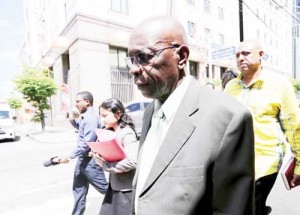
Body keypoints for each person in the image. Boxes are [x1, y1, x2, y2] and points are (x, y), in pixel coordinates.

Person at [126, 16, 255, 214]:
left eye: (145, 57)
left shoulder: (229, 117)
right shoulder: (150, 112)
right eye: (131, 59)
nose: (134, 69)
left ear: (182, 56)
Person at [224, 39, 300, 215]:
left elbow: (294, 127)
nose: (241, 58)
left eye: (246, 53)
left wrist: (299, 164)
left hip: (266, 163)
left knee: (252, 207)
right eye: (237, 55)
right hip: (234, 161)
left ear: (261, 55)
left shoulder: (280, 85)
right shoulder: (231, 86)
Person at [59, 91, 108, 215]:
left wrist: (69, 157)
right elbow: (81, 129)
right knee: (78, 191)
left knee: (106, 190)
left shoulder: (91, 118)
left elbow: (86, 143)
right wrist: (72, 120)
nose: (75, 104)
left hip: (90, 162)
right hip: (82, 160)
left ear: (87, 101)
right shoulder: (86, 117)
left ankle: (129, 207)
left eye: (77, 101)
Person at [92, 98, 139, 215]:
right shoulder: (111, 132)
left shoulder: (126, 133)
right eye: (100, 116)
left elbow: (132, 162)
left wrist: (106, 166)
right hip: (114, 186)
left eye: (105, 116)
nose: (102, 120)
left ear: (118, 114)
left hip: (125, 190)